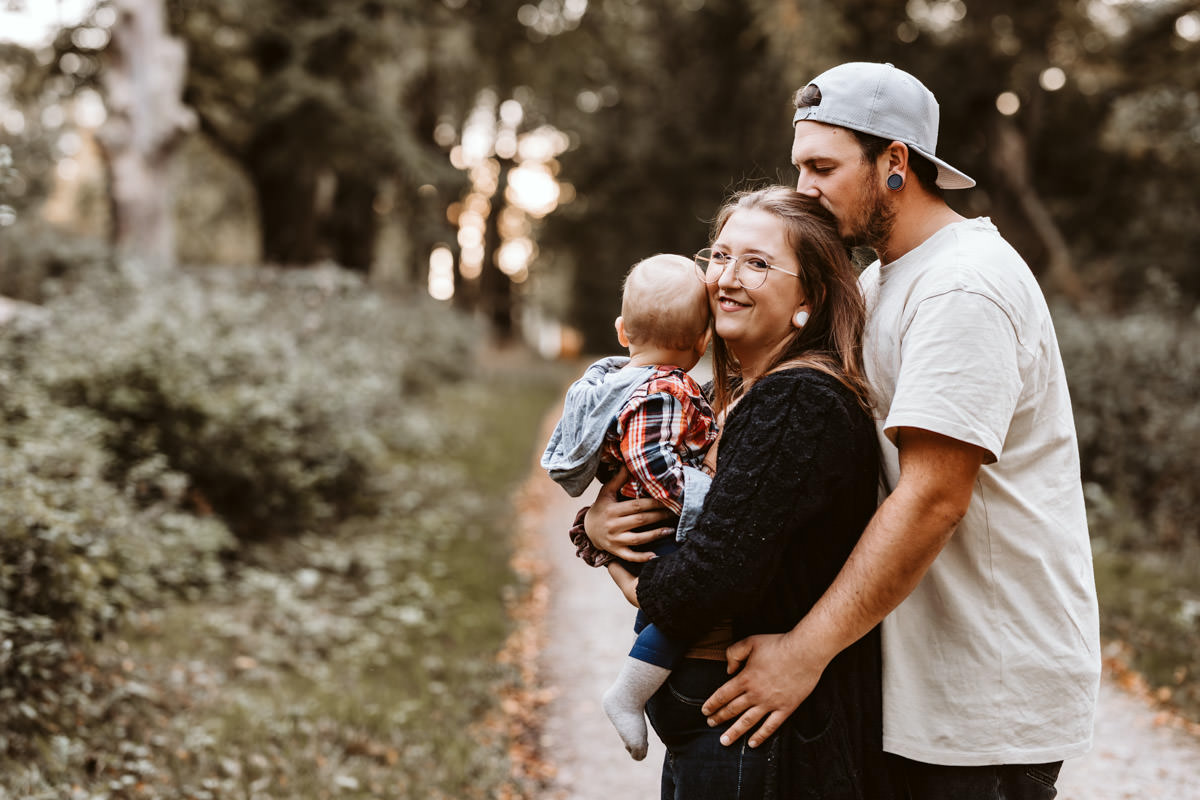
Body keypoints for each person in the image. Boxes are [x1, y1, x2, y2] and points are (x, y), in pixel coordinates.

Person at [586, 62, 1102, 799]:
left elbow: (933, 498)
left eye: (823, 167)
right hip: (904, 679)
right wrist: (606, 524)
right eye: (800, 165)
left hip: (983, 689)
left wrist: (804, 651)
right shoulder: (879, 281)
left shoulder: (964, 286)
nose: (804, 190)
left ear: (895, 164)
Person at [601, 186, 895, 798]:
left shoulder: (798, 401)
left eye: (757, 264)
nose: (724, 279)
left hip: (758, 743)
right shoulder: (731, 396)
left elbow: (713, 579)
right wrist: (603, 524)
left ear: (806, 302)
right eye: (720, 256)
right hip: (723, 735)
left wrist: (624, 570)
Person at [541, 253, 718, 761]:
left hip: (644, 515)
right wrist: (703, 500)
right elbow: (650, 459)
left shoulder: (620, 382)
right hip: (663, 518)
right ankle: (628, 693)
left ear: (622, 331)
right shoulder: (663, 389)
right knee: (676, 611)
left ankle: (633, 689)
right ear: (703, 340)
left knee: (662, 612)